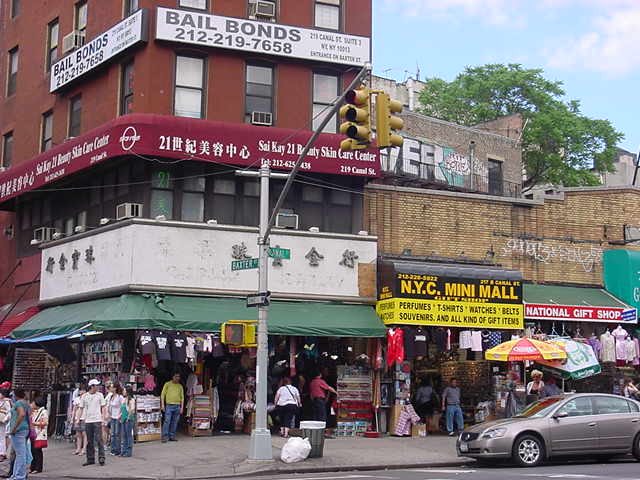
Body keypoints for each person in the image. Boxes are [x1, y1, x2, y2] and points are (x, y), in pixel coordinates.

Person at [82, 379, 107, 467]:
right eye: (96, 385)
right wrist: (78, 418)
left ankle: (101, 457)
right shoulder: (85, 396)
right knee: (89, 440)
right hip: (88, 420)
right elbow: (81, 408)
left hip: (97, 419)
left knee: (99, 439)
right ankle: (90, 459)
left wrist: (103, 418)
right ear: (92, 386)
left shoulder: (100, 395)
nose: (98, 387)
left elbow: (103, 407)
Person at [8, 389, 29, 480]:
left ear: (16, 395)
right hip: (24, 429)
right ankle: (16, 475)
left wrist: (14, 428)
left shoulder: (19, 403)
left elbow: (22, 414)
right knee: (20, 453)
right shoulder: (25, 403)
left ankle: (19, 476)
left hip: (18, 430)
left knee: (20, 454)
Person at [160, 373, 184, 443]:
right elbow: (162, 395)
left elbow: (182, 398)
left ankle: (172, 436)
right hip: (169, 405)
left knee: (175, 422)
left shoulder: (180, 386)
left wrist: (182, 407)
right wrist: (162, 405)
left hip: (177, 406)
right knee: (167, 421)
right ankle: (164, 436)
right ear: (173, 377)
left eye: (178, 377)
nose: (177, 378)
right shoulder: (167, 384)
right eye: (176, 376)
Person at [29, 396, 48, 474]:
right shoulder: (34, 411)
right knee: (32, 450)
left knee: (37, 451)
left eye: (33, 402)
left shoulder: (44, 411)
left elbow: (45, 422)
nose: (32, 404)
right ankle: (33, 467)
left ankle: (38, 468)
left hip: (39, 433)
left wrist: (35, 423)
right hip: (34, 433)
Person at [108, 385, 124, 456]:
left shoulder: (120, 397)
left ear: (115, 388)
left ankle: (118, 450)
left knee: (117, 434)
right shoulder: (111, 396)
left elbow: (123, 406)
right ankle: (113, 449)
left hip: (118, 417)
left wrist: (120, 415)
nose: (110, 388)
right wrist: (109, 414)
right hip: (112, 417)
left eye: (112, 387)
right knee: (112, 434)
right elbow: (110, 406)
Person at [120, 387, 135, 458]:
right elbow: (122, 409)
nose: (123, 392)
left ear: (128, 392)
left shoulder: (131, 400)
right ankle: (123, 451)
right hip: (123, 419)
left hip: (128, 419)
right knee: (124, 436)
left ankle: (128, 452)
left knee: (128, 436)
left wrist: (128, 417)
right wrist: (120, 417)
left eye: (124, 390)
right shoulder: (124, 399)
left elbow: (132, 409)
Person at [72, 385, 87, 456]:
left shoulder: (87, 399)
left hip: (84, 417)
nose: (82, 392)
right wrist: (72, 418)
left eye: (83, 390)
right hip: (77, 418)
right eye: (81, 390)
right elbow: (74, 409)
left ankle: (84, 449)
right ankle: (78, 448)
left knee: (84, 434)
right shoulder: (77, 399)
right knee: (78, 434)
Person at [0, 389, 11, 462]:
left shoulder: (6, 402)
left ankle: (2, 454)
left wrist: (4, 420)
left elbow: (9, 412)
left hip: (2, 422)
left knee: (2, 438)